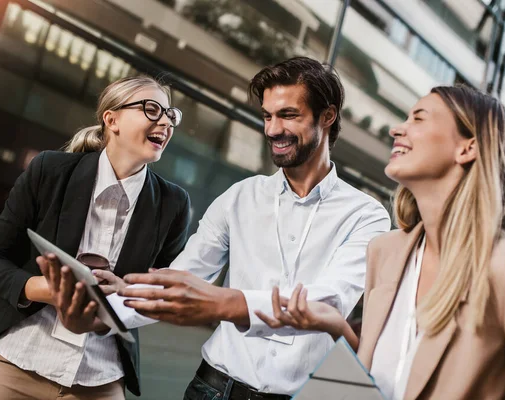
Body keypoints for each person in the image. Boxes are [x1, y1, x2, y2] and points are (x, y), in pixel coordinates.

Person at [105, 57, 391, 399]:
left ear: (327, 116)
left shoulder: (367, 215)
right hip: (210, 389)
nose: (272, 129)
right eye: (267, 116)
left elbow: (326, 303)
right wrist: (104, 307)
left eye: (288, 115)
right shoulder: (239, 196)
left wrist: (226, 303)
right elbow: (183, 278)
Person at [256, 85, 505, 399]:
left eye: (419, 118)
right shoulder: (385, 252)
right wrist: (339, 328)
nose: (397, 128)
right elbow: (394, 371)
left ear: (467, 148)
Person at [0, 75, 190, 399]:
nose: (165, 122)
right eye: (152, 109)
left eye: (171, 115)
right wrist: (43, 289)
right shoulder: (50, 170)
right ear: (111, 119)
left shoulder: (173, 203)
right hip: (15, 363)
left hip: (98, 378)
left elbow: (166, 291)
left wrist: (126, 294)